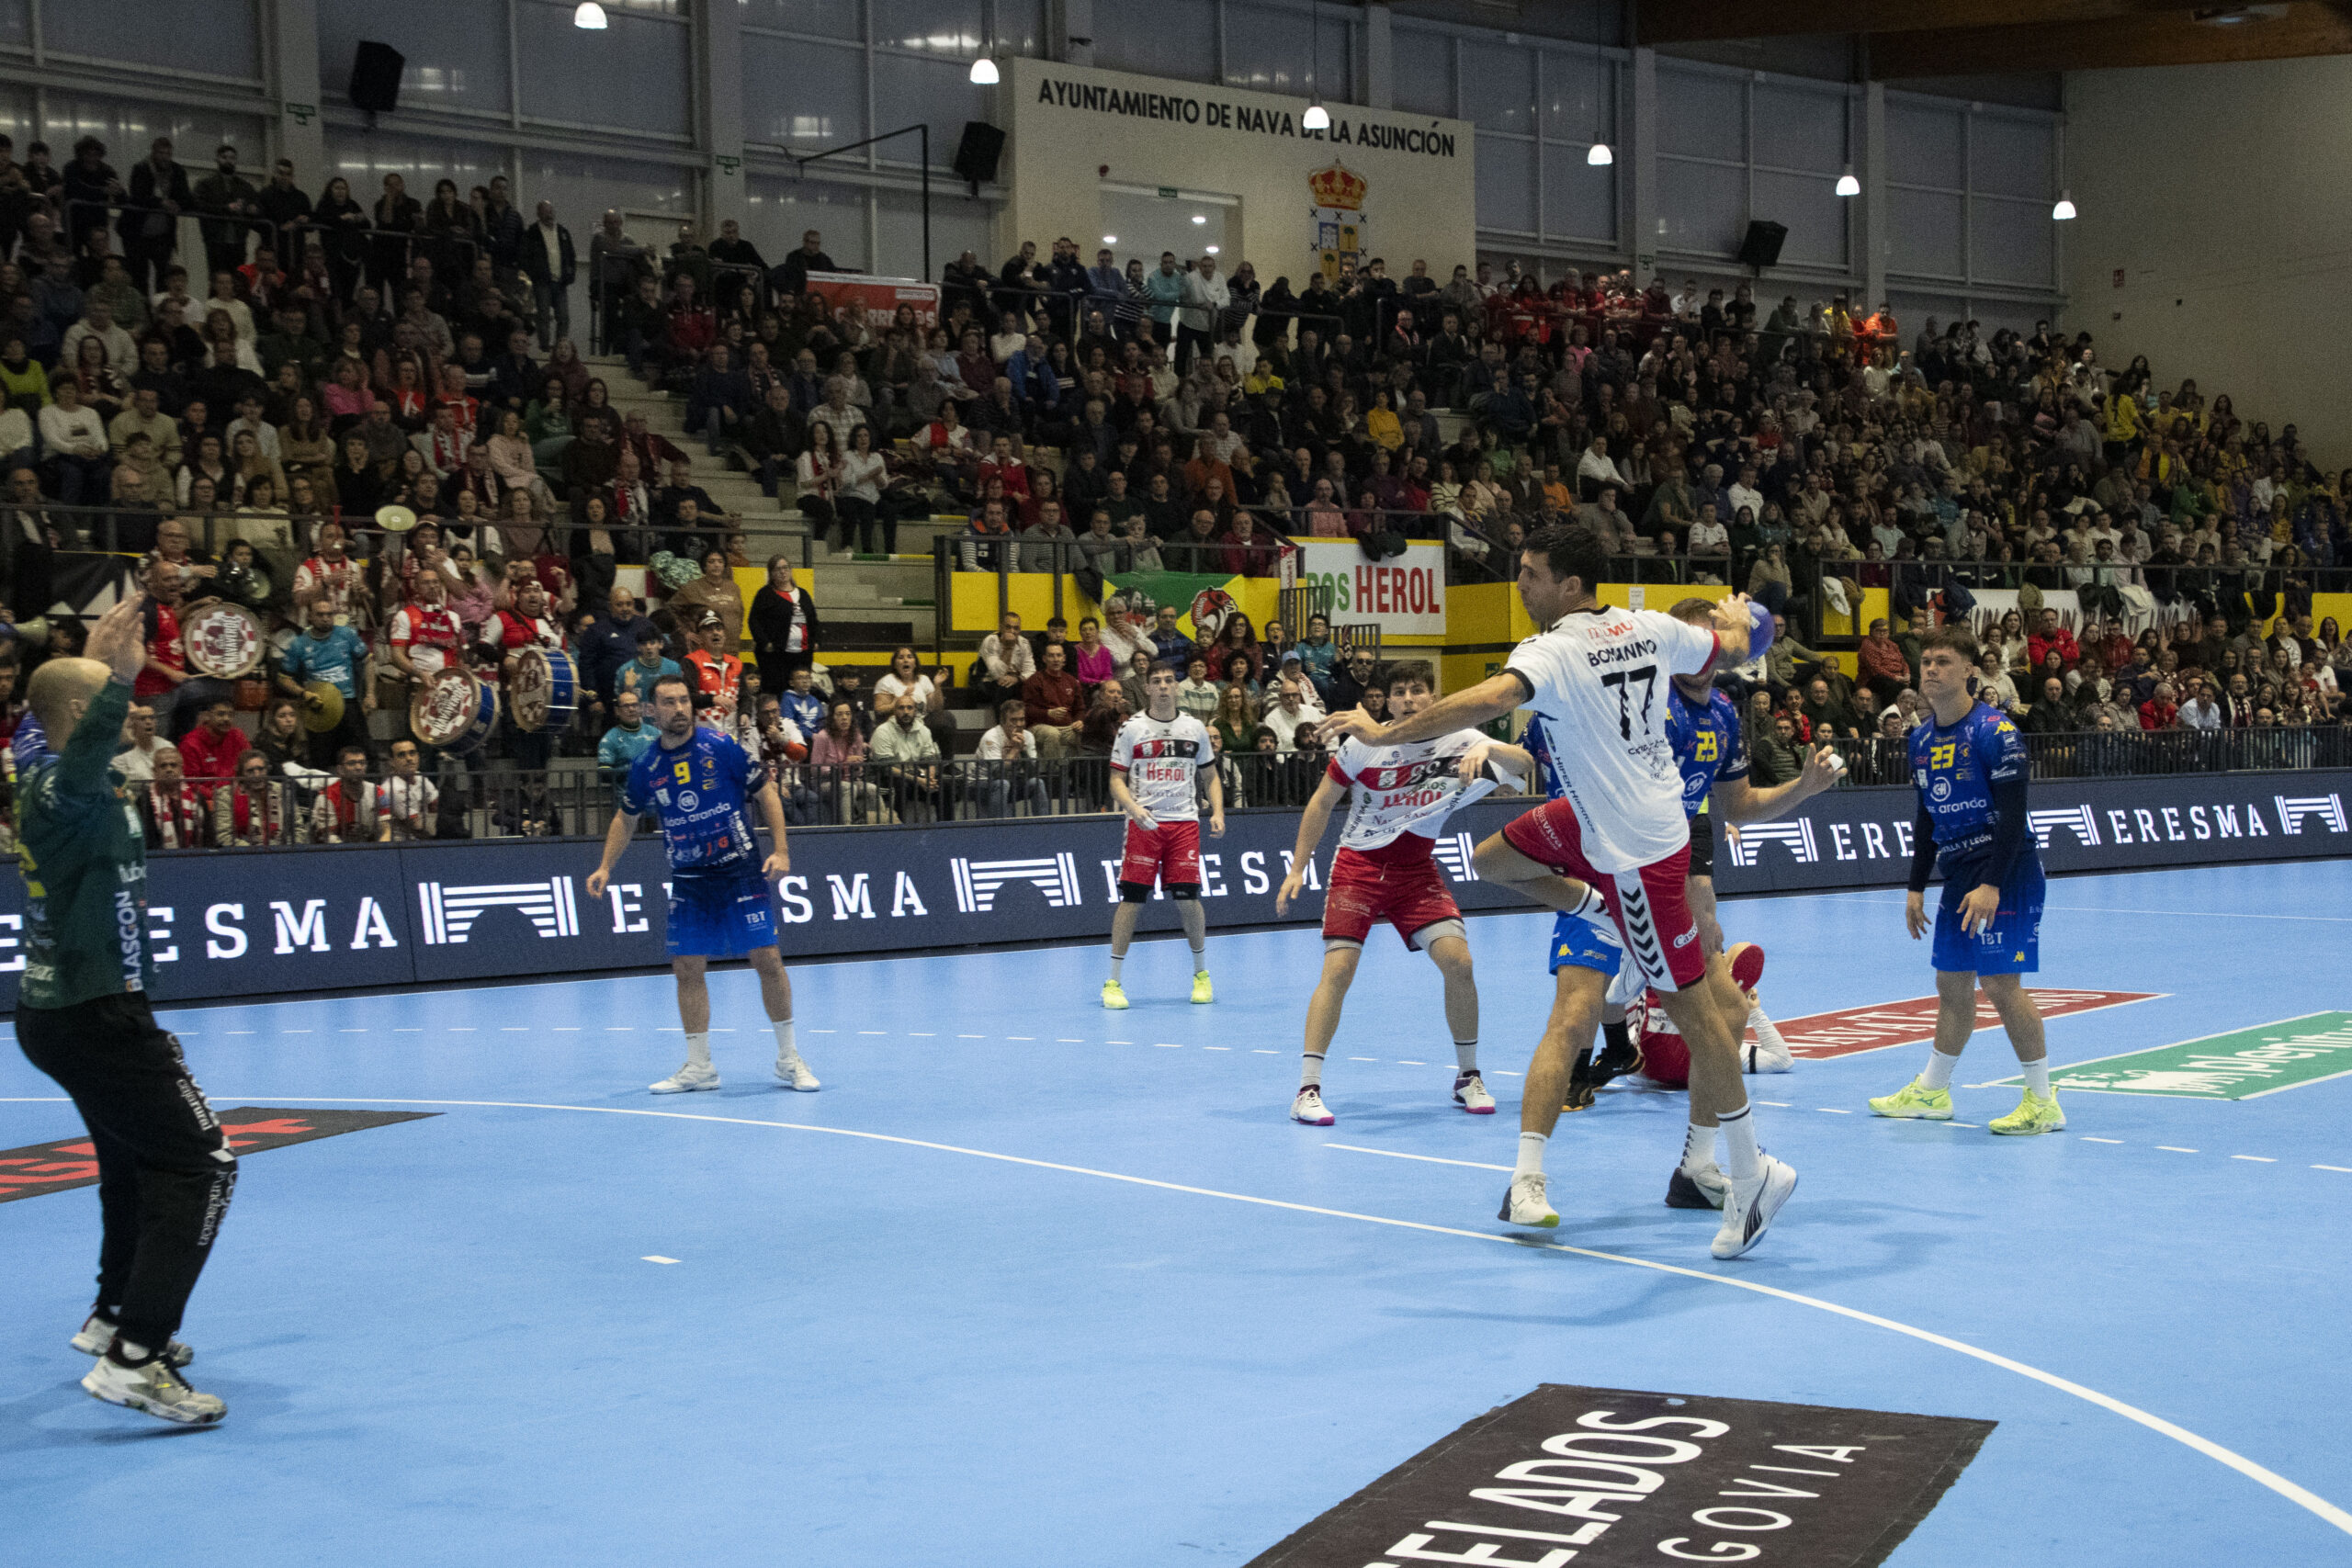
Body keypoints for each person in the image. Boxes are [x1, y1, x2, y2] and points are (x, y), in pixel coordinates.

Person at [1321, 524, 1791, 1260]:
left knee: (1696, 1011)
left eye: (1531, 574)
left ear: (1571, 585)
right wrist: (1746, 619)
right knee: (1494, 858)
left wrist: (1385, 735)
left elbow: (1487, 699)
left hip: (1636, 851)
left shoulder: (1554, 649)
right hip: (1602, 824)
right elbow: (1733, 647)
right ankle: (1589, 908)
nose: (1520, 585)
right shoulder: (1652, 626)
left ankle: (1751, 1169)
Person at [16, 596, 235, 1425]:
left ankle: (113, 1314)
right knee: (204, 1165)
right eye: (117, 700)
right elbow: (73, 758)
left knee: (135, 1163)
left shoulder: (57, 773)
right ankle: (135, 1357)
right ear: (84, 712)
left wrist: (105, 671)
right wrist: (112, 675)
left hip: (79, 1008)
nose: (137, 707)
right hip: (93, 1013)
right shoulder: (59, 787)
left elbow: (55, 724)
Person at [1275, 660, 1523, 1127]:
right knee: (1339, 970)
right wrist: (1298, 867)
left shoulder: (1464, 739)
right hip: (1359, 867)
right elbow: (1322, 801)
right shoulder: (1363, 744)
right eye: (1400, 693)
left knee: (1460, 963)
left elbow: (1525, 765)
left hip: (1416, 871)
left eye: (1417, 690)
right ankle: (1307, 1089)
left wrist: (1492, 749)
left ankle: (1468, 1076)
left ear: (1433, 697)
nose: (1409, 700)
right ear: (1387, 702)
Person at [1869, 626, 2064, 1135]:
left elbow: (2014, 814)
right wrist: (1916, 886)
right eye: (1926, 661)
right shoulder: (1920, 739)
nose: (1931, 669)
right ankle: (1932, 1091)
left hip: (2007, 869)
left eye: (1943, 661)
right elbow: (1926, 817)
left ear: (1970, 671)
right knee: (1951, 983)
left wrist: (1992, 884)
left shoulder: (1996, 731)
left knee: (2000, 983)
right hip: (1958, 874)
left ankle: (2043, 1101)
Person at [585, 671, 819, 1096]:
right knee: (687, 968)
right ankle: (700, 1067)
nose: (679, 708)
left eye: (683, 700)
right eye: (669, 702)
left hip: (739, 870)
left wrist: (781, 850)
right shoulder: (646, 765)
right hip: (690, 878)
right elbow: (626, 816)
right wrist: (605, 867)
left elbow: (765, 792)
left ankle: (789, 1059)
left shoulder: (720, 746)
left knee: (767, 959)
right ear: (652, 711)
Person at [1103, 663, 1223, 1010]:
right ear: (1148, 688)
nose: (1164, 686)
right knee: (1132, 899)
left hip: (1184, 824)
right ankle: (1113, 982)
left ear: (1176, 687)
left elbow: (1211, 776)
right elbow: (1115, 780)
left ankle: (1201, 975)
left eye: (1169, 680)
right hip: (1144, 825)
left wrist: (1217, 811)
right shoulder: (1131, 728)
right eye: (1156, 682)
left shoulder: (1195, 728)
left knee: (1188, 899)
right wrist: (1133, 809)